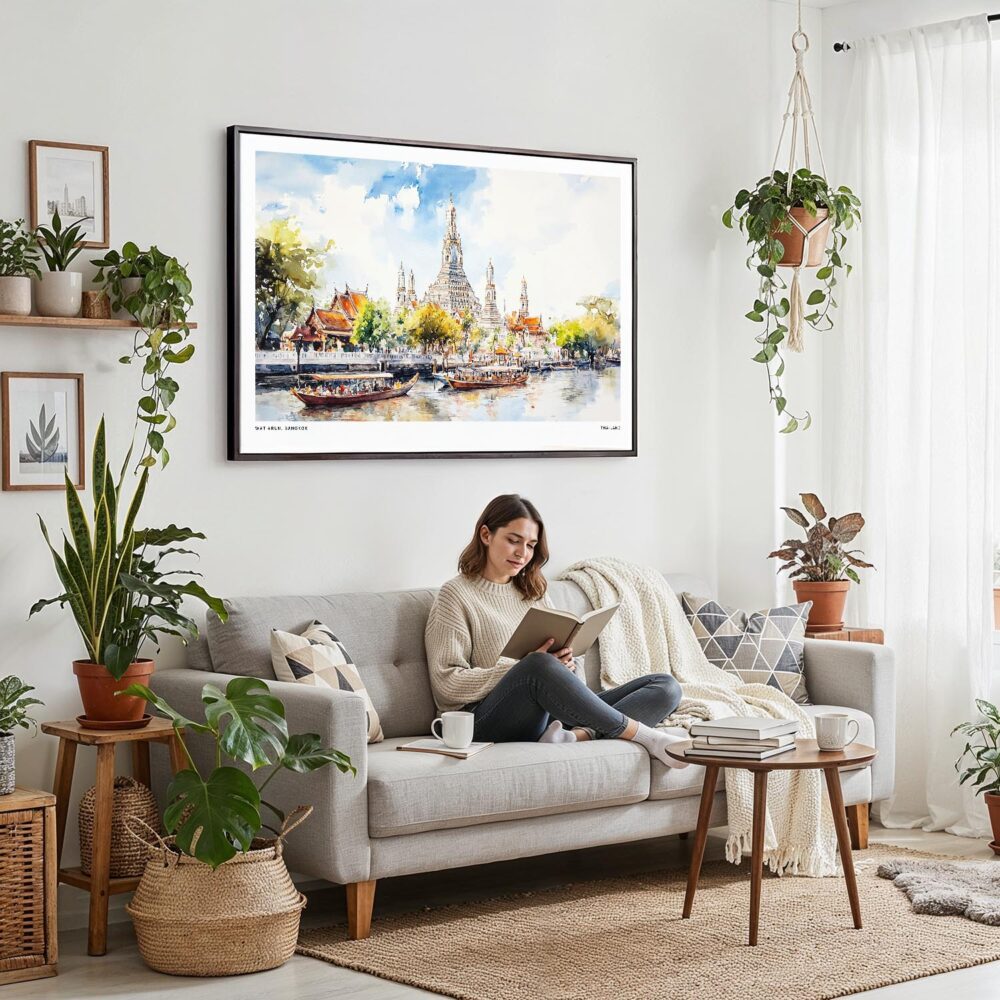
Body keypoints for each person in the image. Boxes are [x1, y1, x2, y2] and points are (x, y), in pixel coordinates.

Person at [424, 494, 689, 768]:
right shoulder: (455, 595)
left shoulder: (532, 592)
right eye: (514, 540)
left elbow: (564, 675)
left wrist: (567, 666)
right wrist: (521, 667)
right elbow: (447, 684)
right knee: (537, 664)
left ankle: (577, 736)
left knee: (666, 686)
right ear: (485, 535)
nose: (522, 553)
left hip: (546, 714)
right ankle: (648, 738)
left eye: (530, 545)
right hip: (482, 722)